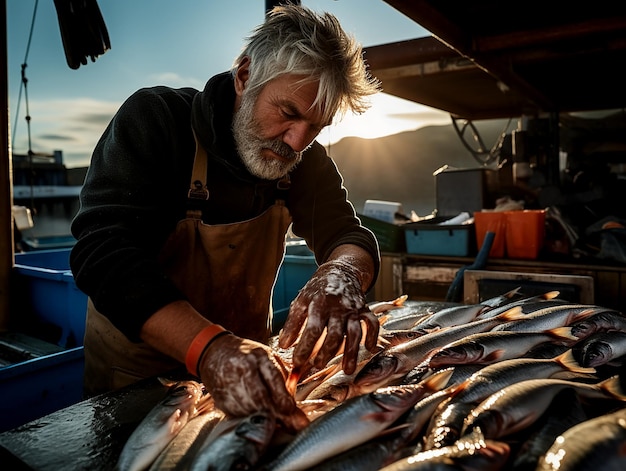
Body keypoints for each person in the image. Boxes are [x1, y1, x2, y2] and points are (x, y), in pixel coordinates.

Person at [70, 4, 381, 432]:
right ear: (245, 75)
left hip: (251, 382)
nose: (297, 141)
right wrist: (211, 349)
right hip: (135, 390)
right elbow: (103, 255)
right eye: (288, 113)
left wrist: (342, 272)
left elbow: (348, 234)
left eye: (316, 126)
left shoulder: (304, 161)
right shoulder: (156, 122)